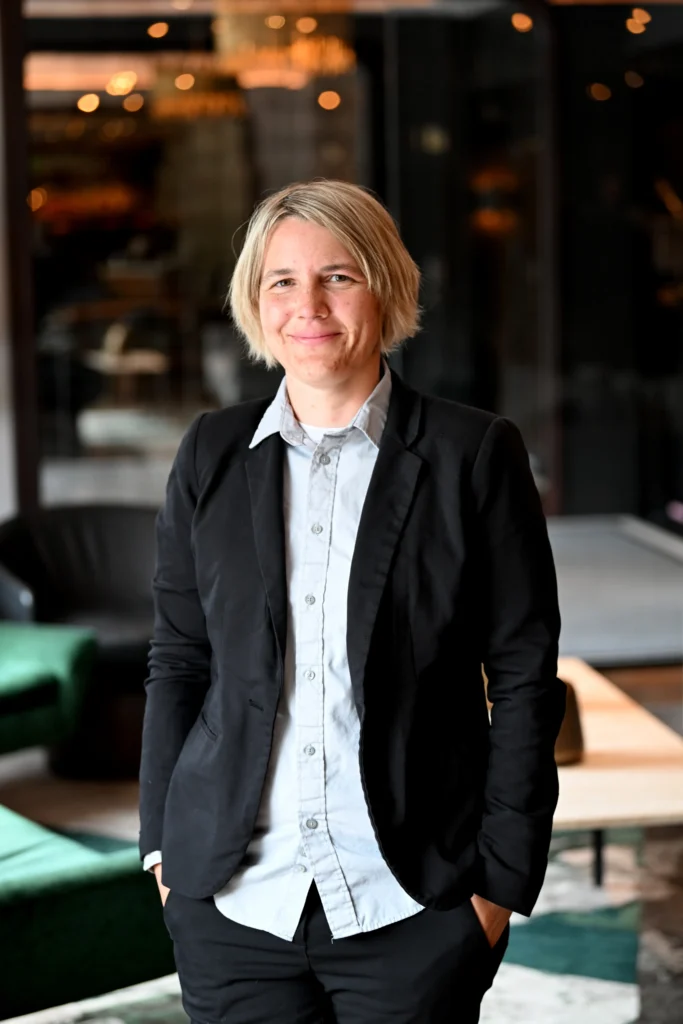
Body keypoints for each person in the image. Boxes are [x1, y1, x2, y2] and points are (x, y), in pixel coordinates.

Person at [138, 179, 566, 1024]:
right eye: (282, 281)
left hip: (413, 902)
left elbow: (523, 675)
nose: (308, 306)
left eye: (338, 276)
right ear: (256, 302)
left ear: (385, 288)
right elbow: (178, 659)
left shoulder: (472, 453)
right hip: (232, 904)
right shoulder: (210, 452)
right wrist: (163, 853)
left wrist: (496, 885)